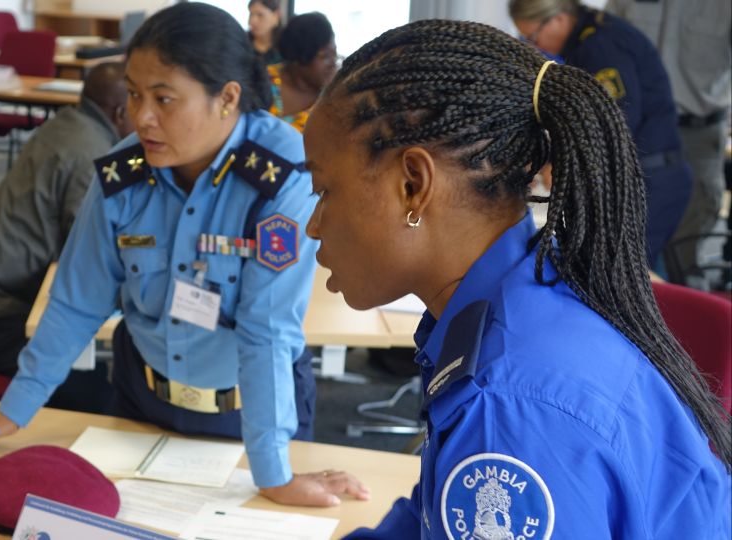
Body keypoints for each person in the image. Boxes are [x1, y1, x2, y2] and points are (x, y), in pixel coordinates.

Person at [0, 3, 369, 508]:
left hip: (252, 418)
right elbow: (76, 299)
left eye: (163, 98)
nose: (141, 117)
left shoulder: (280, 178)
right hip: (141, 400)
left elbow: (266, 331)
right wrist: (13, 410)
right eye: (133, 94)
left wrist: (273, 473)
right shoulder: (124, 171)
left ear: (227, 98)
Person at [301, 19, 731, 538]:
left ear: (414, 184)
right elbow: (429, 519)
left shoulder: (506, 404)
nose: (313, 224)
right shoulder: (526, 292)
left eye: (325, 190)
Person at [0, 61, 132, 404]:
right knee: (86, 380)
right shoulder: (91, 153)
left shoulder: (67, 124)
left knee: (94, 358)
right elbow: (88, 259)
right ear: (122, 111)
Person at [509, 0, 692, 266]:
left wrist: (558, 162)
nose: (534, 46)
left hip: (650, 181)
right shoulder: (590, 37)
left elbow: (612, 123)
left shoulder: (600, 48)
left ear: (559, 19)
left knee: (618, 273)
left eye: (533, 36)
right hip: (642, 176)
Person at [605, 0, 731, 288]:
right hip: (634, 134)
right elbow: (604, 43)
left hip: (696, 136)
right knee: (623, 245)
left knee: (687, 252)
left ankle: (690, 322)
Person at [267, 12, 337, 133]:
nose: (333, 63)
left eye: (335, 55)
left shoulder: (333, 102)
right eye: (325, 56)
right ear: (299, 58)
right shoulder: (263, 79)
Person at [248, 0, 283, 66]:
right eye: (250, 14)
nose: (252, 21)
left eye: (260, 15)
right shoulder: (242, 44)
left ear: (276, 15)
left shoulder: (286, 46)